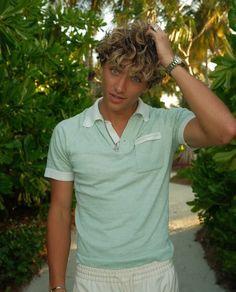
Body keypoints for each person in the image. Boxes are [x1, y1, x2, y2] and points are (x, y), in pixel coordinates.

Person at [45, 20, 236, 292]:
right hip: (93, 276)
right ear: (102, 67)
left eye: (135, 78)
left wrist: (170, 62)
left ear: (148, 85)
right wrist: (57, 286)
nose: (120, 87)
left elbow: (225, 131)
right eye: (114, 71)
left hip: (154, 275)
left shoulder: (166, 123)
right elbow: (60, 212)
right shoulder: (67, 132)